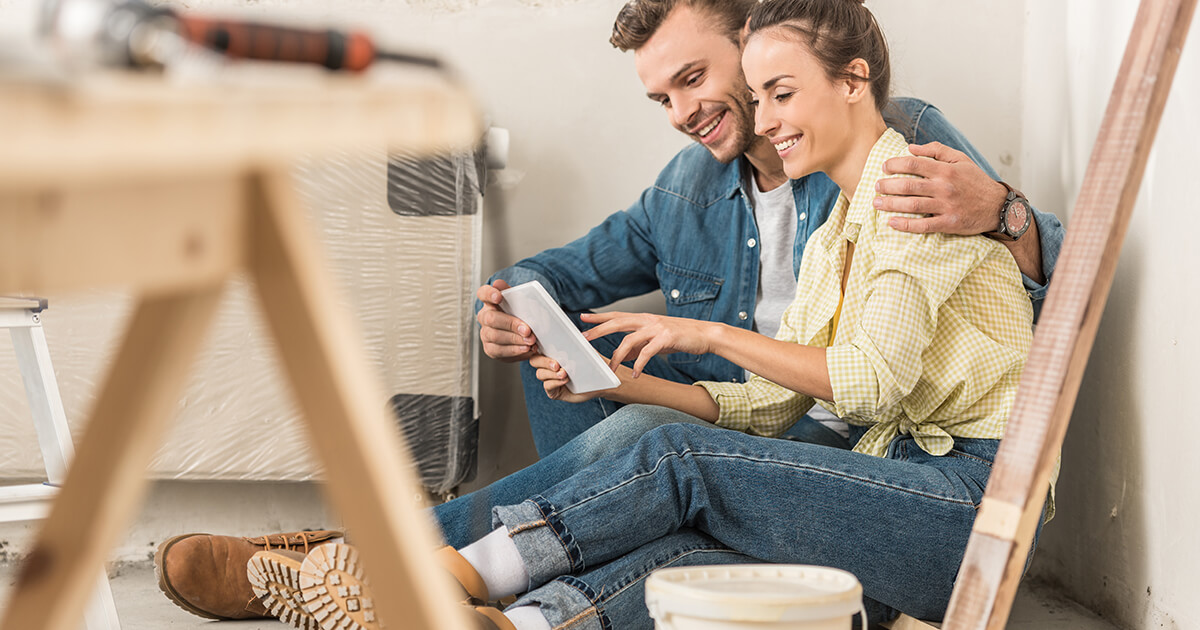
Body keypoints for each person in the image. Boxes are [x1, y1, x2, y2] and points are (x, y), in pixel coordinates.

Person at [151, 0, 1063, 625]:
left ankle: (377, 562)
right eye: (660, 96)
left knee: (650, 450)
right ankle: (518, 605)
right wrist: (517, 312)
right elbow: (564, 277)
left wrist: (1006, 211)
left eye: (697, 78)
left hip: (894, 459)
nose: (681, 112)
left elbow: (1039, 272)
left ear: (759, 47)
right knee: (618, 407)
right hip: (808, 438)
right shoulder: (695, 191)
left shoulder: (903, 152)